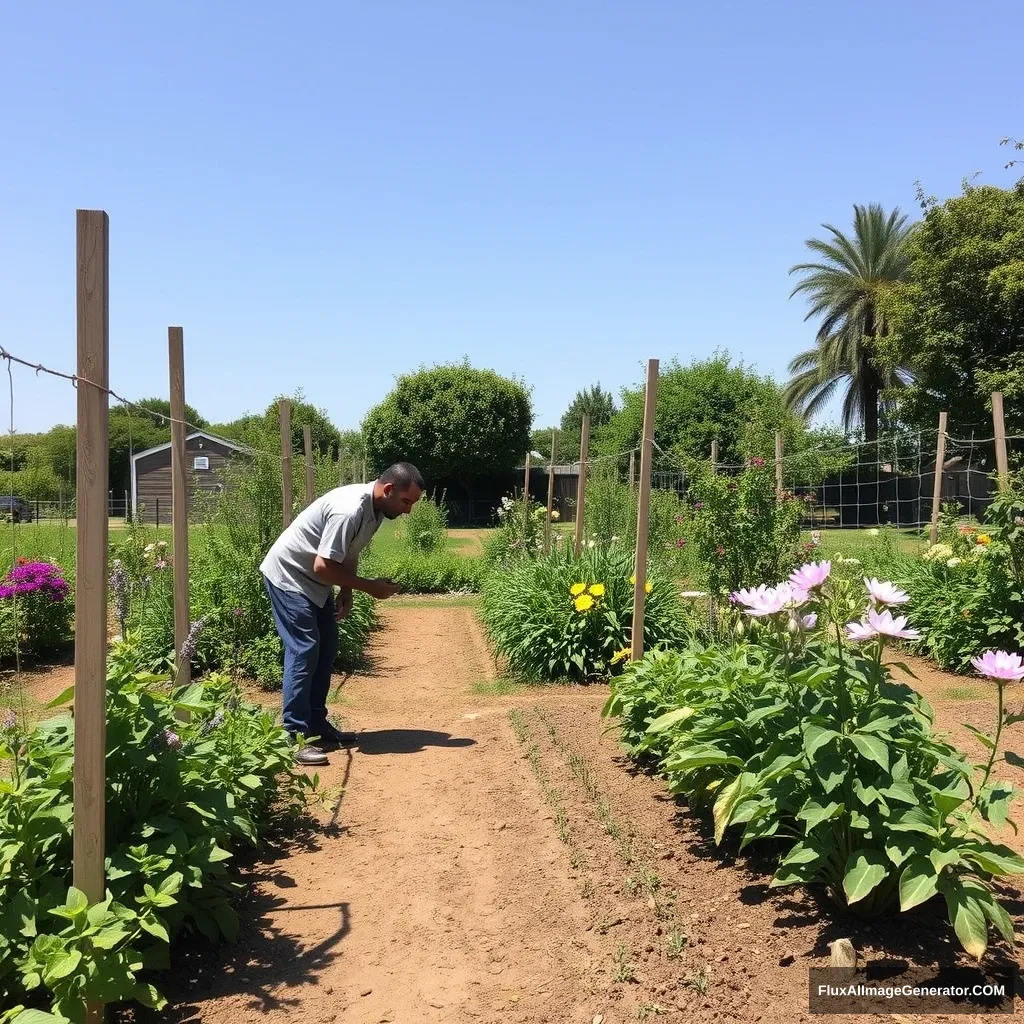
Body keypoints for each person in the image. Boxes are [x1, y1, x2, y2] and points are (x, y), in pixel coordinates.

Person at [260, 462, 424, 765]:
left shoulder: (375, 512)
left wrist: (346, 590)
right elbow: (322, 565)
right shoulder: (349, 509)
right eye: (405, 501)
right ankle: (293, 736)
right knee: (304, 649)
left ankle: (316, 724)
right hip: (289, 576)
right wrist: (368, 587)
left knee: (327, 648)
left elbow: (349, 552)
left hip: (315, 583)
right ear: (388, 489)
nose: (408, 511)